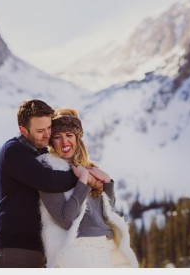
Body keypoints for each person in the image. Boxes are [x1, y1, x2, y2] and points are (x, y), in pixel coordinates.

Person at [0, 99, 101, 268]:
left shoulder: (41, 150)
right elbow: (48, 180)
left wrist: (92, 176)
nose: (47, 135)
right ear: (23, 130)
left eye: (49, 128)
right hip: (13, 250)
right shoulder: (13, 151)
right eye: (40, 130)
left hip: (38, 252)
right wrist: (84, 177)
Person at [36, 108, 138, 268]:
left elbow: (107, 212)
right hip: (79, 248)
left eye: (69, 135)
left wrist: (108, 182)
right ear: (51, 142)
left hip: (108, 244)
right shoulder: (48, 169)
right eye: (57, 137)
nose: (64, 142)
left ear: (77, 138)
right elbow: (65, 219)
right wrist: (83, 182)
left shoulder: (89, 168)